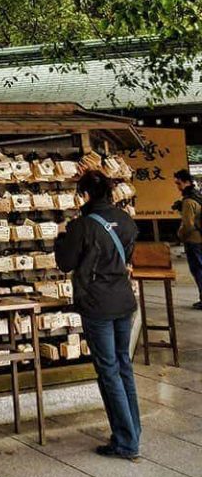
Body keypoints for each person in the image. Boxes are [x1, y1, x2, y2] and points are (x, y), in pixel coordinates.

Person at [55, 169, 140, 460]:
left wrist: (60, 239)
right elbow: (127, 257)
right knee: (123, 366)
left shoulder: (82, 226)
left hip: (97, 305)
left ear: (86, 195)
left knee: (108, 371)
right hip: (124, 301)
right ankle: (132, 432)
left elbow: (65, 263)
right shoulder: (127, 221)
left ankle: (126, 441)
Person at [173, 168, 202, 308]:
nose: (178, 187)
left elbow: (188, 225)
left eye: (179, 183)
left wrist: (180, 235)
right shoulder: (196, 196)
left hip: (194, 240)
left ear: (187, 182)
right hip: (199, 238)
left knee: (198, 270)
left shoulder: (189, 201)